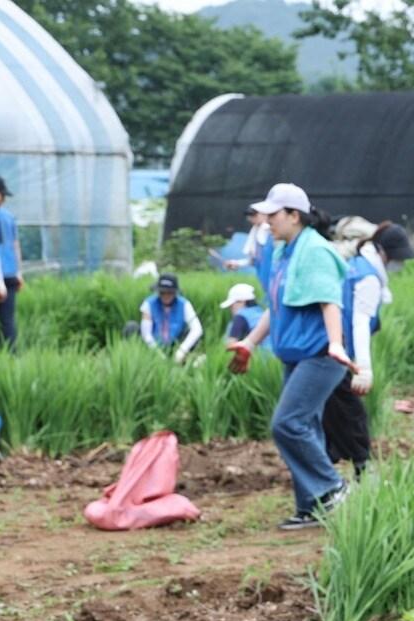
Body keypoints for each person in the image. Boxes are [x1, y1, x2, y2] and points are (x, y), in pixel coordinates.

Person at [227, 183, 357, 530]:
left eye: (273, 215)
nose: (266, 222)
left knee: (287, 423)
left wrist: (335, 343)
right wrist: (250, 343)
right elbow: (276, 307)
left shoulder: (314, 251)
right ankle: (311, 508)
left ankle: (333, 488)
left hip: (319, 354)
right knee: (306, 426)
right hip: (296, 355)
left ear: (293, 216)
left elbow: (330, 299)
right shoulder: (285, 251)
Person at [320, 219, 389, 477]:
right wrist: (364, 368)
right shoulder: (364, 273)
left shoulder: (350, 267)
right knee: (348, 408)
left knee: (333, 406)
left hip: (333, 348)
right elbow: (359, 321)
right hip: (337, 350)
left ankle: (333, 458)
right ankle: (360, 464)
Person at [135, 273, 204, 364]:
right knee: (131, 328)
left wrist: (181, 351)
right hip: (154, 343)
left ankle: (182, 361)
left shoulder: (184, 304)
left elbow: (197, 329)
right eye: (162, 292)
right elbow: (146, 334)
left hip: (175, 343)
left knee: (193, 336)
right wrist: (158, 354)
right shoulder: (148, 304)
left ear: (175, 292)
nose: (166, 296)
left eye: (170, 293)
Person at [0, 176, 23, 351]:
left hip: (5, 277)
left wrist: (18, 273)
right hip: (7, 276)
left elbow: (15, 245)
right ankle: (10, 358)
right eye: (2, 194)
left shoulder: (7, 217)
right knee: (8, 320)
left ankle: (10, 358)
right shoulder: (8, 217)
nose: (4, 198)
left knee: (7, 321)